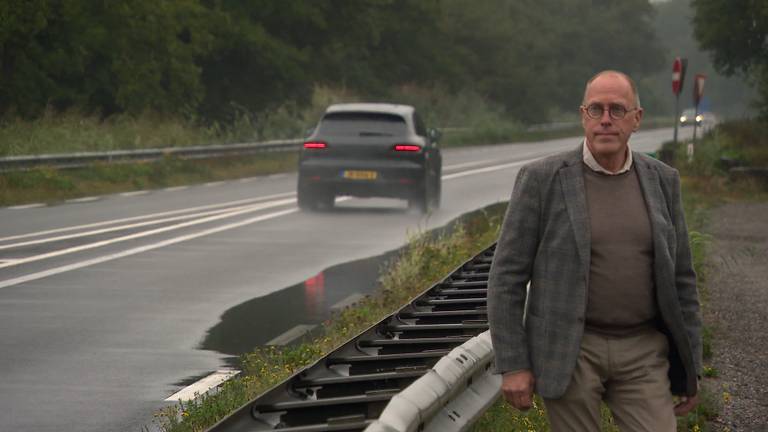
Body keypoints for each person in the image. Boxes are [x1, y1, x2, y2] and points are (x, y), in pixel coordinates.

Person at [487, 70, 702, 431]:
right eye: (595, 109)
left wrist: (691, 365)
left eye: (617, 110)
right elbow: (506, 277)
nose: (605, 120)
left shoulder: (663, 180)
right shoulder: (542, 179)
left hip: (643, 349)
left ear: (637, 119)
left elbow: (682, 279)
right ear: (582, 115)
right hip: (571, 350)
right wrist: (513, 363)